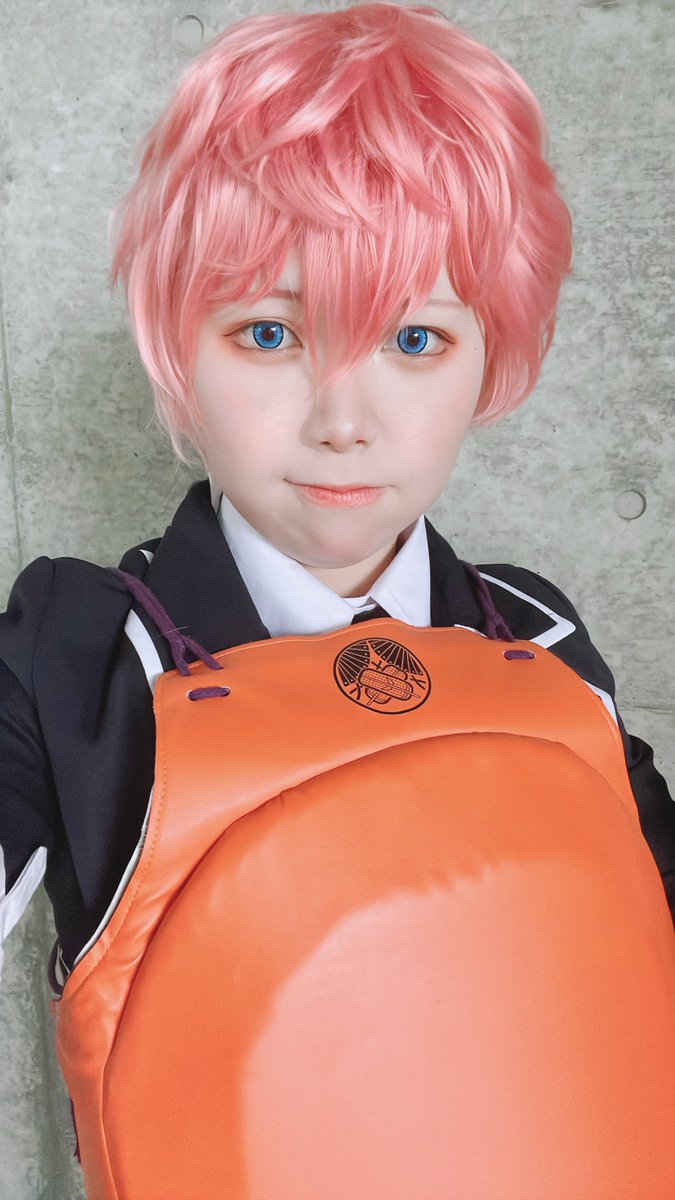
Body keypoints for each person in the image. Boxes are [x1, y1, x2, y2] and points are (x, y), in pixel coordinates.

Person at [1, 4, 675, 1196]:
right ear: (178, 342)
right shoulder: (78, 653)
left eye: (415, 340)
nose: (344, 419)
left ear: (492, 350)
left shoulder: (543, 634)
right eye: (271, 333)